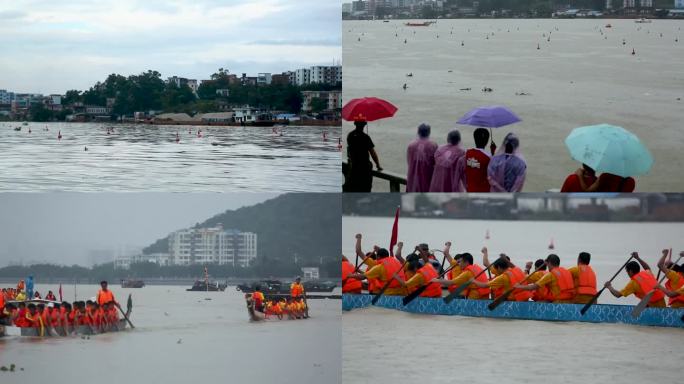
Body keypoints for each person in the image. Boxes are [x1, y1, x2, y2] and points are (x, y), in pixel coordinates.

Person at [345, 119, 382, 192]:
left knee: (355, 190)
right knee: (365, 189)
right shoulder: (365, 137)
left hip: (354, 168)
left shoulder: (350, 135)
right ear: (364, 125)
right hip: (364, 168)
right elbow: (373, 153)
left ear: (355, 124)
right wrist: (378, 165)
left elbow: (349, 150)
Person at [455, 128, 491, 192]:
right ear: (487, 141)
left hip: (470, 190)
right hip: (484, 192)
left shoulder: (467, 154)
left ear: (474, 139)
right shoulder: (489, 157)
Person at [406, 123, 438, 192]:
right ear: (429, 132)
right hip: (427, 180)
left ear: (418, 132)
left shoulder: (411, 145)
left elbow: (409, 162)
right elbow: (436, 164)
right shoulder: (433, 145)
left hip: (412, 179)